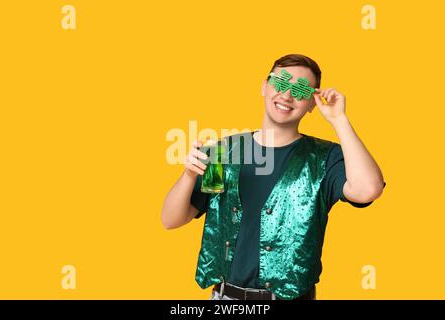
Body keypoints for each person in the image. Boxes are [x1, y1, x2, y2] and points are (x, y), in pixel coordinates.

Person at [161, 54, 386, 300]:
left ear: (312, 103)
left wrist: (338, 119)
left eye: (300, 89)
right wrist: (188, 175)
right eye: (280, 83)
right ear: (264, 86)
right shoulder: (223, 152)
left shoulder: (324, 158)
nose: (287, 95)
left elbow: (368, 189)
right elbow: (171, 220)